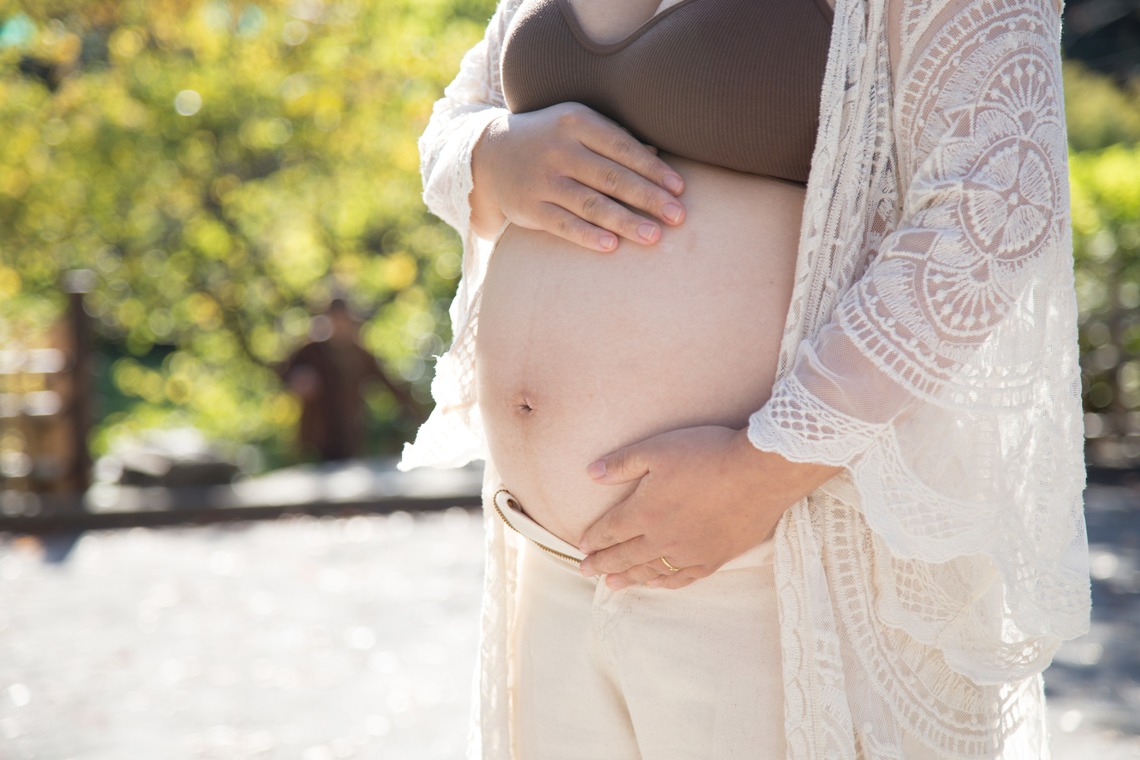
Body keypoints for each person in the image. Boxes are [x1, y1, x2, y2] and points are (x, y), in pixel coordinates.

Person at [401, 0, 1091, 756]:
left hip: (777, 564)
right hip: (551, 570)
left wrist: (761, 472)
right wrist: (491, 155)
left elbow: (998, 201)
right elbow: (459, 114)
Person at [281, 298, 413, 462]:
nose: (340, 325)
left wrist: (411, 407)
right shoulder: (312, 351)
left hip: (350, 434)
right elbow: (285, 372)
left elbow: (386, 381)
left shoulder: (360, 354)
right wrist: (298, 379)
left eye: (344, 320)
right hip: (318, 438)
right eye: (336, 320)